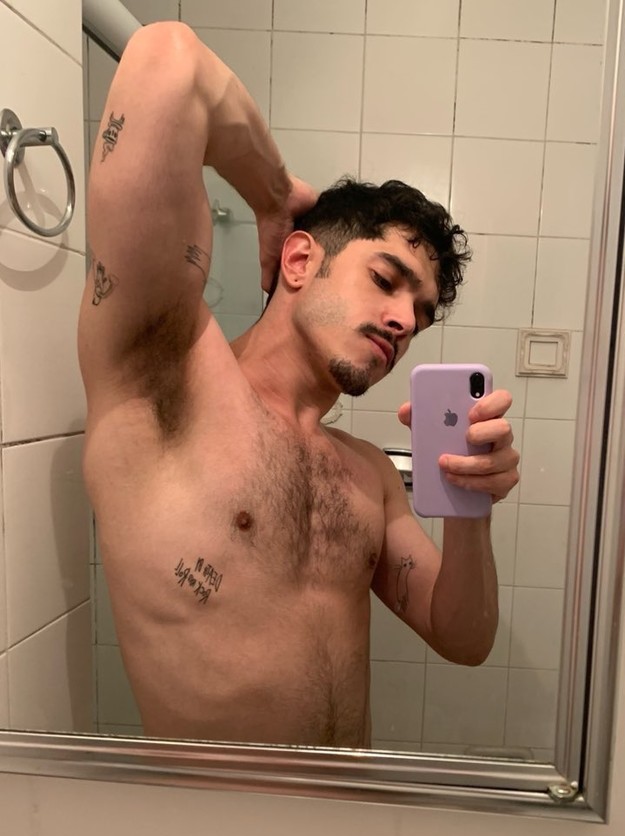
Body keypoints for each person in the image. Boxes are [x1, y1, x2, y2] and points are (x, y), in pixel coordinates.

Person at [79, 22, 519, 747]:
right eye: (386, 280)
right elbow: (166, 59)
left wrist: (471, 507)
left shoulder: (367, 474)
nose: (403, 321)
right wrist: (273, 194)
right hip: (211, 820)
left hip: (354, 817)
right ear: (298, 261)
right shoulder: (164, 378)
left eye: (420, 313)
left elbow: (464, 638)